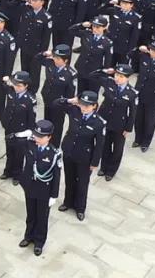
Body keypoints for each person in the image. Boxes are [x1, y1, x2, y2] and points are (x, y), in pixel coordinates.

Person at [53, 91, 105, 221]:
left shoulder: (99, 123)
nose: (84, 108)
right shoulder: (74, 111)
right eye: (82, 104)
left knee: (82, 183)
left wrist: (94, 162)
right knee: (69, 179)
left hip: (84, 157)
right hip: (69, 151)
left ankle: (80, 208)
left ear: (94, 106)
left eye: (87, 106)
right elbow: (55, 104)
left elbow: (99, 145)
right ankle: (68, 202)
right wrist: (70, 100)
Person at [18, 120, 62, 256]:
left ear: (49, 137)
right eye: (36, 135)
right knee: (30, 214)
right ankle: (28, 236)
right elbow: (10, 142)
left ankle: (39, 242)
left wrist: (54, 195)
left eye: (41, 136)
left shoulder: (54, 154)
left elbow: (57, 176)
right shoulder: (30, 144)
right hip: (30, 186)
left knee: (42, 217)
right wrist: (19, 135)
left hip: (44, 190)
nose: (37, 138)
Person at [92, 64, 138, 181]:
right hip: (105, 120)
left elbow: (132, 112)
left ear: (128, 78)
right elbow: (93, 75)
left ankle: (111, 171)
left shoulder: (132, 93)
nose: (118, 78)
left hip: (120, 125)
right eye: (117, 75)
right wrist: (106, 71)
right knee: (104, 145)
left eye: (121, 76)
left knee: (117, 149)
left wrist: (128, 128)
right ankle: (104, 167)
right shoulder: (109, 82)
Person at [0, 71, 37, 184]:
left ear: (26, 86)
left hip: (21, 130)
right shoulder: (11, 91)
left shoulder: (30, 100)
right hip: (9, 126)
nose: (16, 87)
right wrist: (6, 80)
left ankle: (17, 174)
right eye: (15, 84)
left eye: (19, 85)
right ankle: (8, 171)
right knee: (9, 150)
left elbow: (31, 118)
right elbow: (3, 84)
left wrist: (29, 132)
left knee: (19, 153)